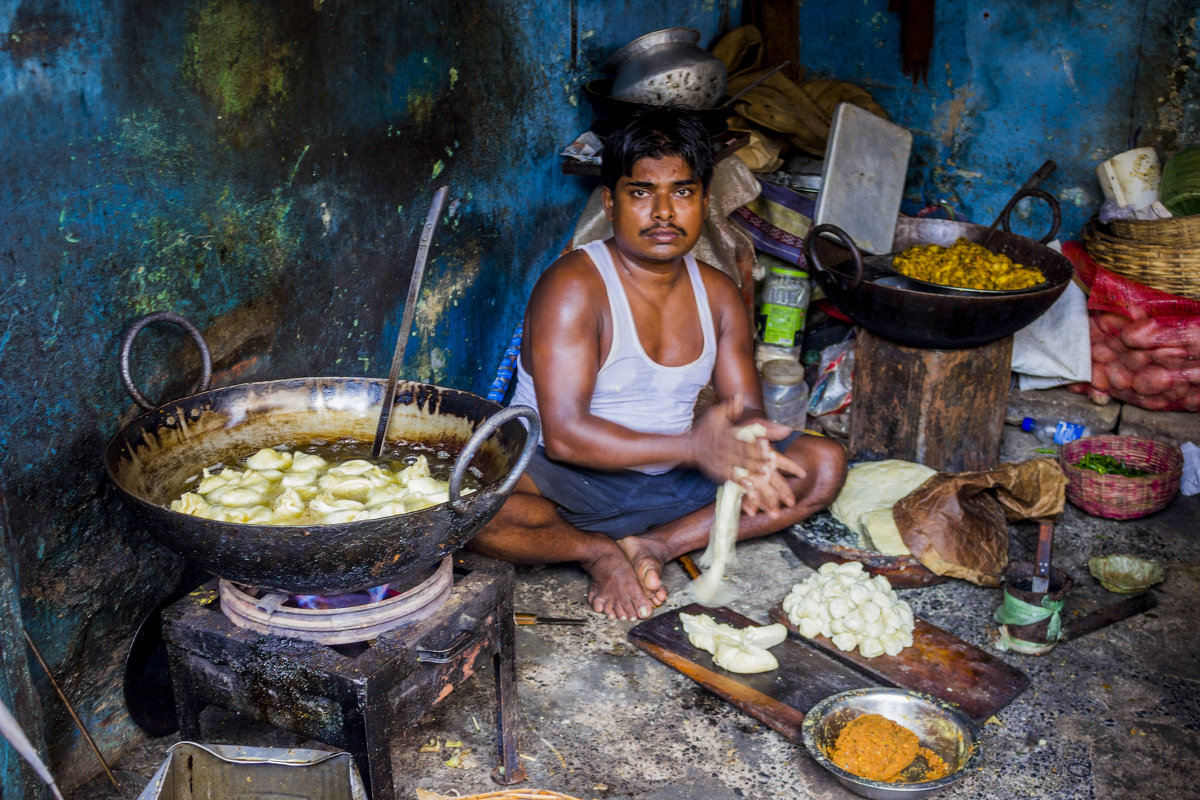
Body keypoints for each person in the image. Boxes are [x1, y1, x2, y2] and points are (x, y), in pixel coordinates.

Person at [468, 107, 846, 620]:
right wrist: (695, 445)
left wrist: (750, 454)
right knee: (475, 510)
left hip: (673, 481)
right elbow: (564, 436)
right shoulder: (574, 286)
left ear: (705, 201)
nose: (664, 212)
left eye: (683, 192)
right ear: (610, 201)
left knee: (822, 467)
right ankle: (595, 551)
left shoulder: (717, 294)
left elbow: (746, 410)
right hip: (565, 478)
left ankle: (659, 545)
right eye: (641, 192)